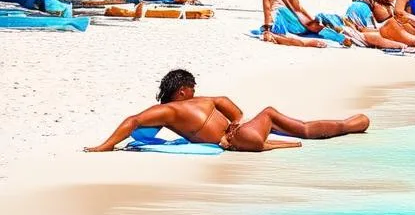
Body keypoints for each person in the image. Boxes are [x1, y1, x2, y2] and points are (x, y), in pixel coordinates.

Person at [84, 69, 369, 153]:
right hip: (243, 135)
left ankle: (350, 124)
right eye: (192, 88)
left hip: (240, 138)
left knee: (293, 130)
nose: (195, 92)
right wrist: (234, 124)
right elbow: (234, 108)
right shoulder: (193, 103)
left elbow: (134, 122)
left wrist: (107, 145)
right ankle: (353, 123)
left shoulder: (167, 113)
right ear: (183, 90)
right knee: (291, 122)